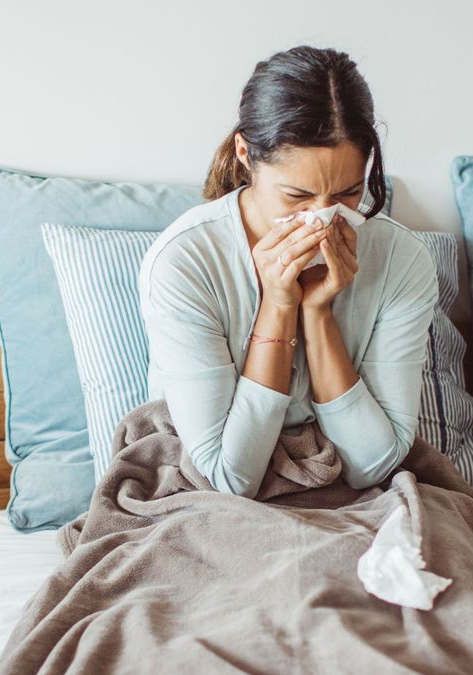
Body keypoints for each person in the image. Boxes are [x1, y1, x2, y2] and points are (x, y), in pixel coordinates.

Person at [138, 46, 438, 498]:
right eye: (297, 195)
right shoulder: (186, 262)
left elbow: (373, 465)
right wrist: (279, 306)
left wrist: (318, 315)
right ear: (244, 153)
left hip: (353, 496)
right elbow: (228, 478)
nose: (323, 217)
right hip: (212, 501)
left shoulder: (401, 259)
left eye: (348, 193)